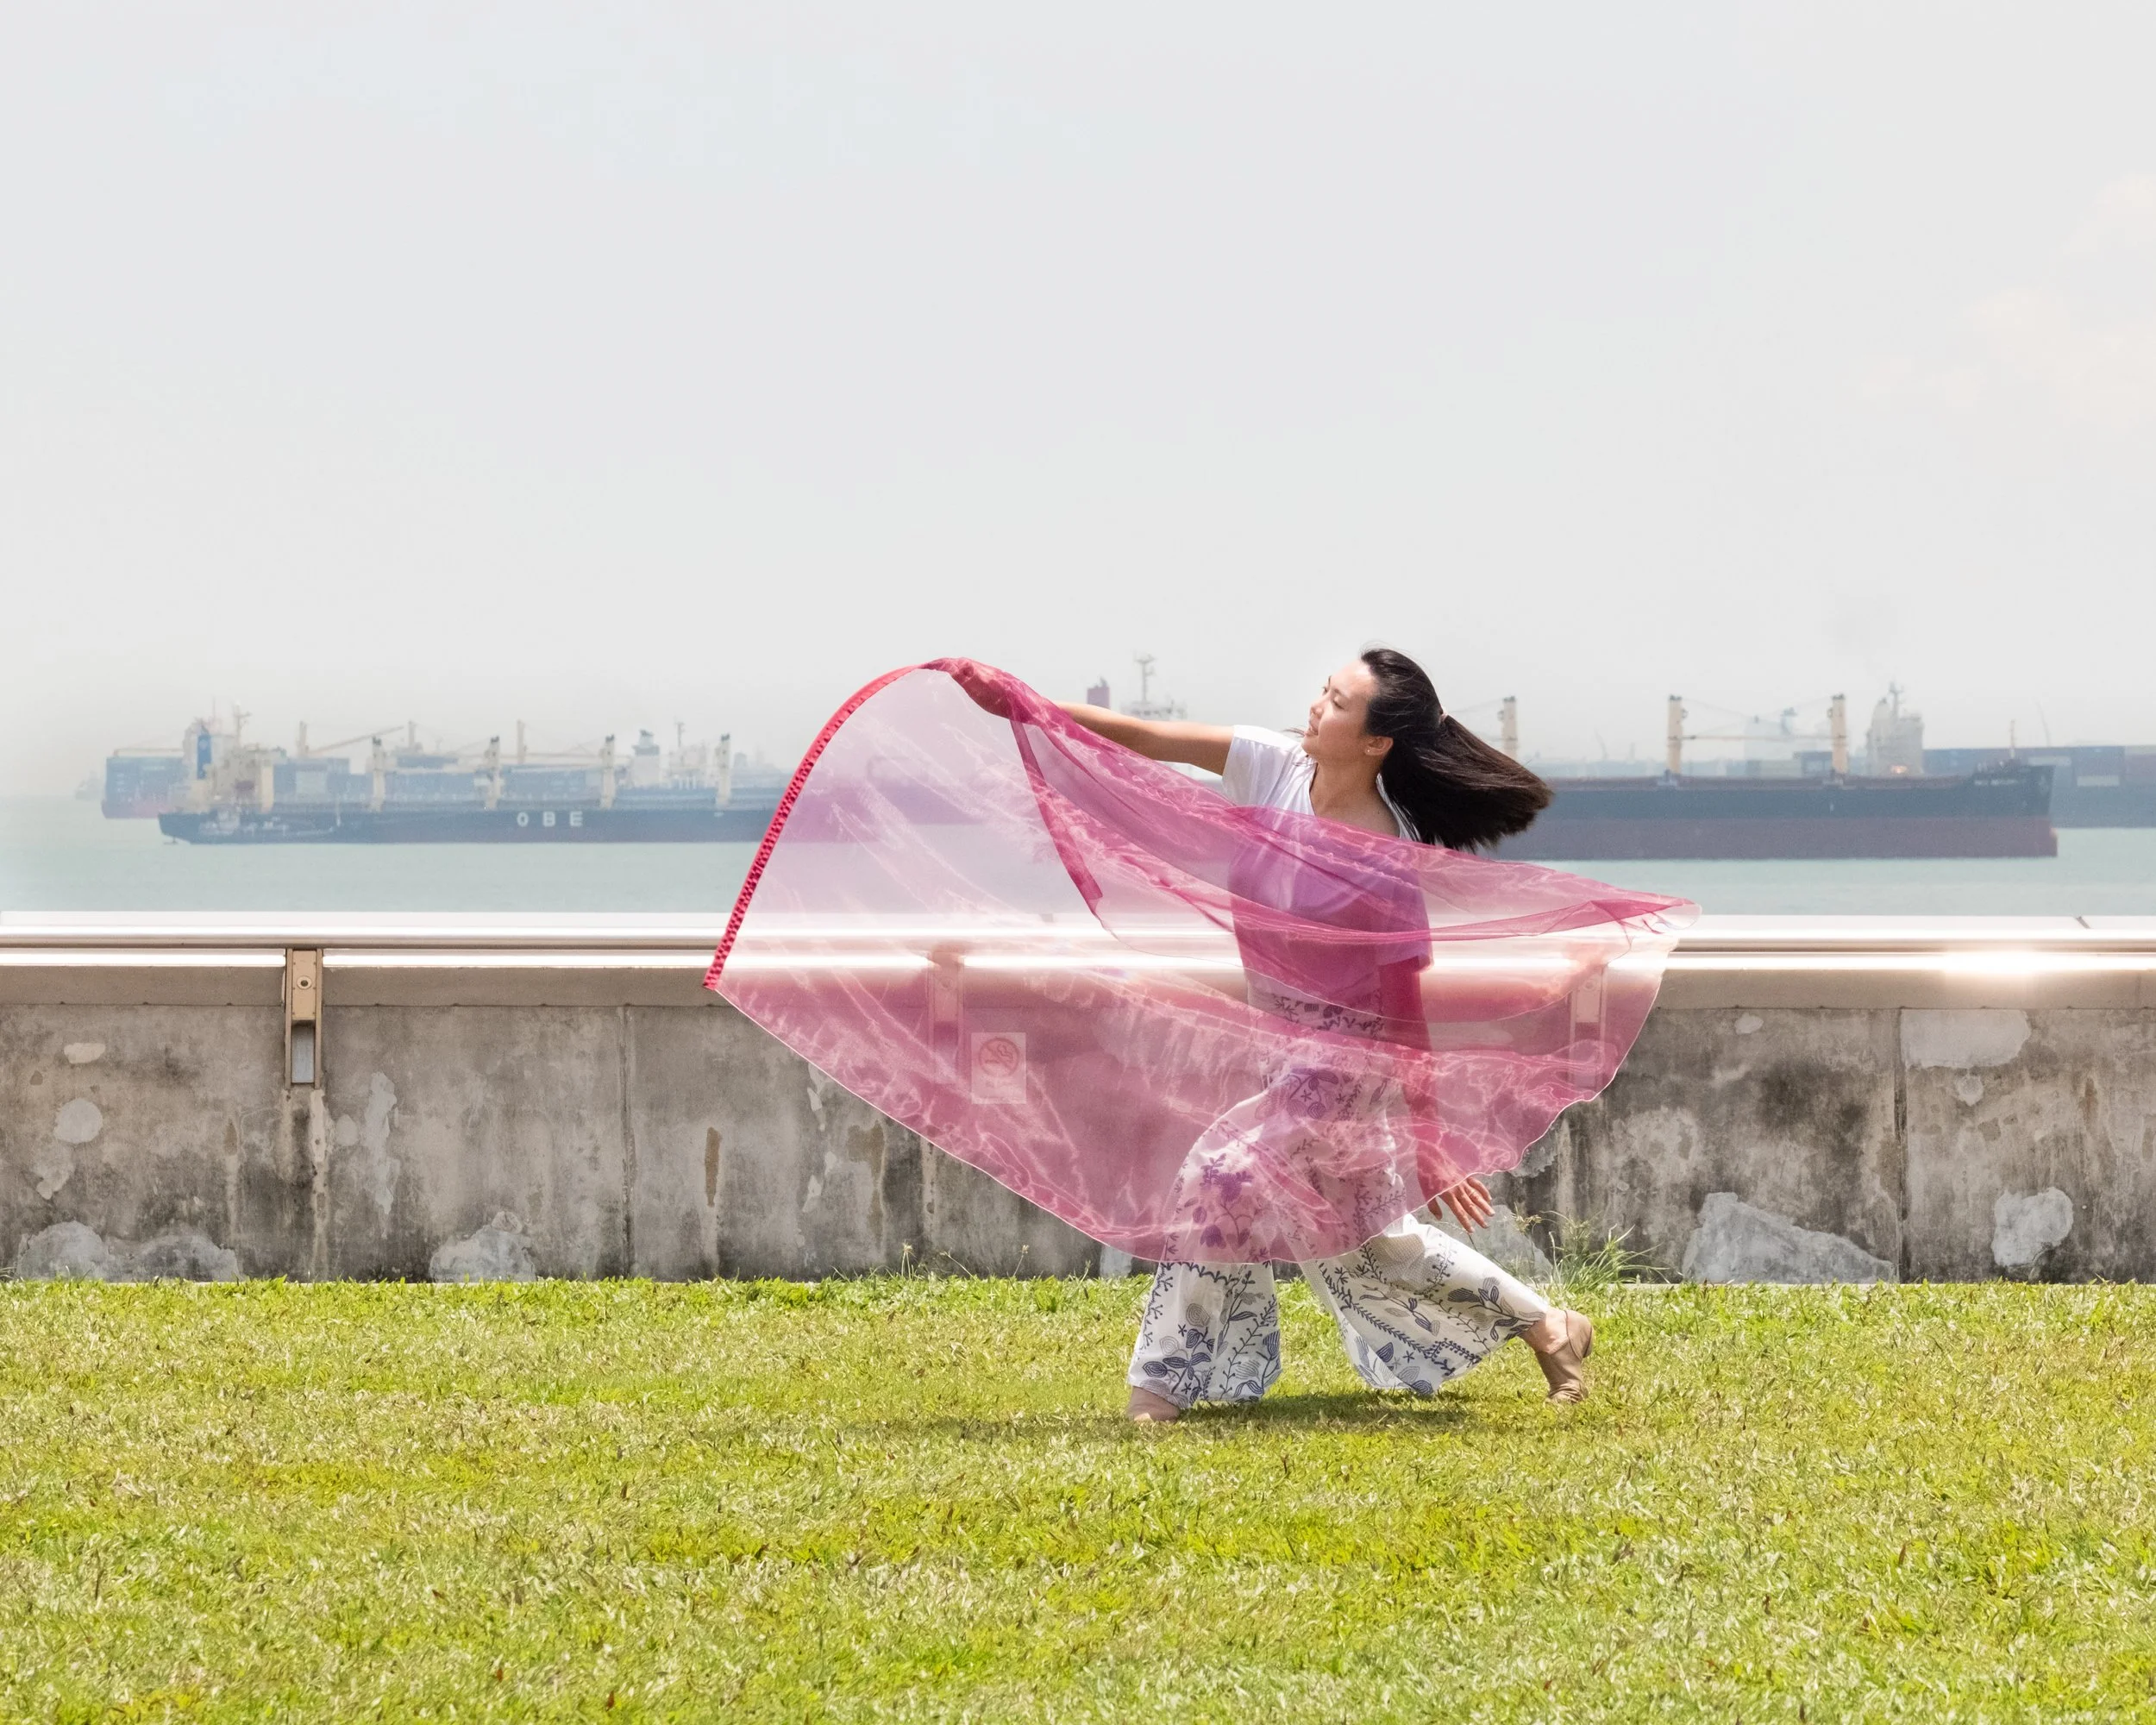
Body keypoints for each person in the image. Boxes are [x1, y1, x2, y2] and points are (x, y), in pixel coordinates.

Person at [1057, 647, 1596, 1420]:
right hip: (1282, 1048)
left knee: (1221, 1175)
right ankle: (1551, 1327)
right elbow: (1145, 736)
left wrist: (1429, 1136)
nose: (1316, 706)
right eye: (1325, 691)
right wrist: (1017, 703)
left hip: (1349, 1061)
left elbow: (1403, 1009)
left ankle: (1163, 1384)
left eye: (1338, 703)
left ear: (1376, 742)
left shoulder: (1383, 856)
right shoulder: (1273, 765)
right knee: (1368, 1242)